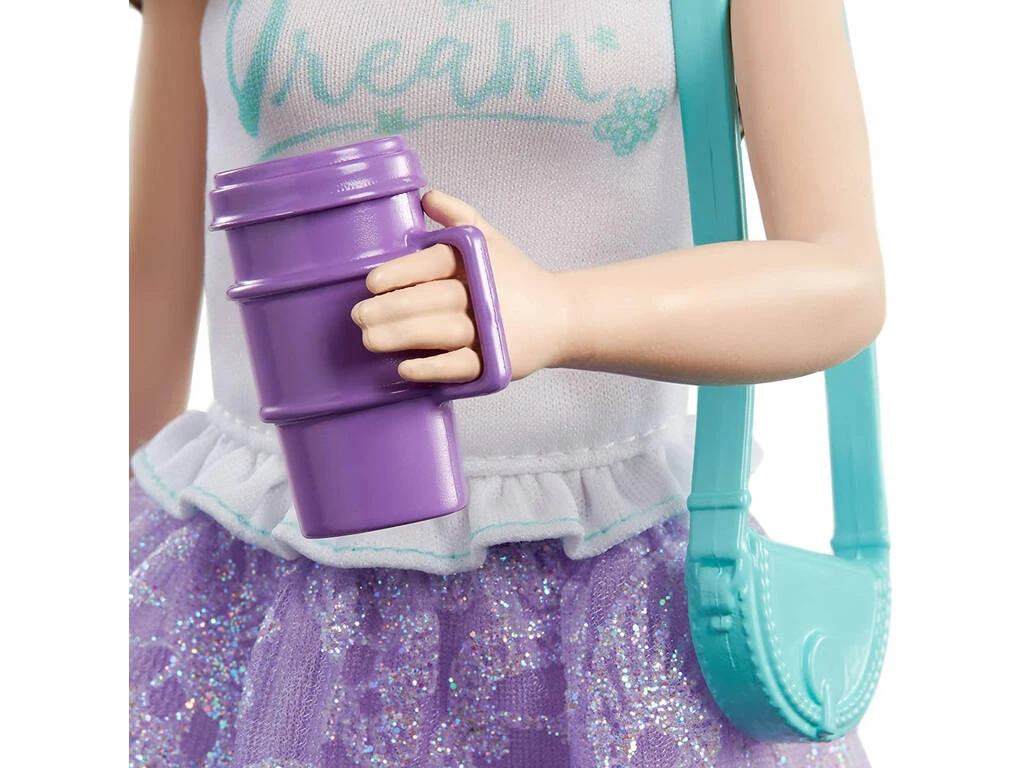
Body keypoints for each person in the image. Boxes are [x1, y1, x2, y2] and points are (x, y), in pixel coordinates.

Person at [129, 0, 885, 765]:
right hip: (264, 572)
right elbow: (156, 266)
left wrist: (563, 313)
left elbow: (843, 277)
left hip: (619, 591)